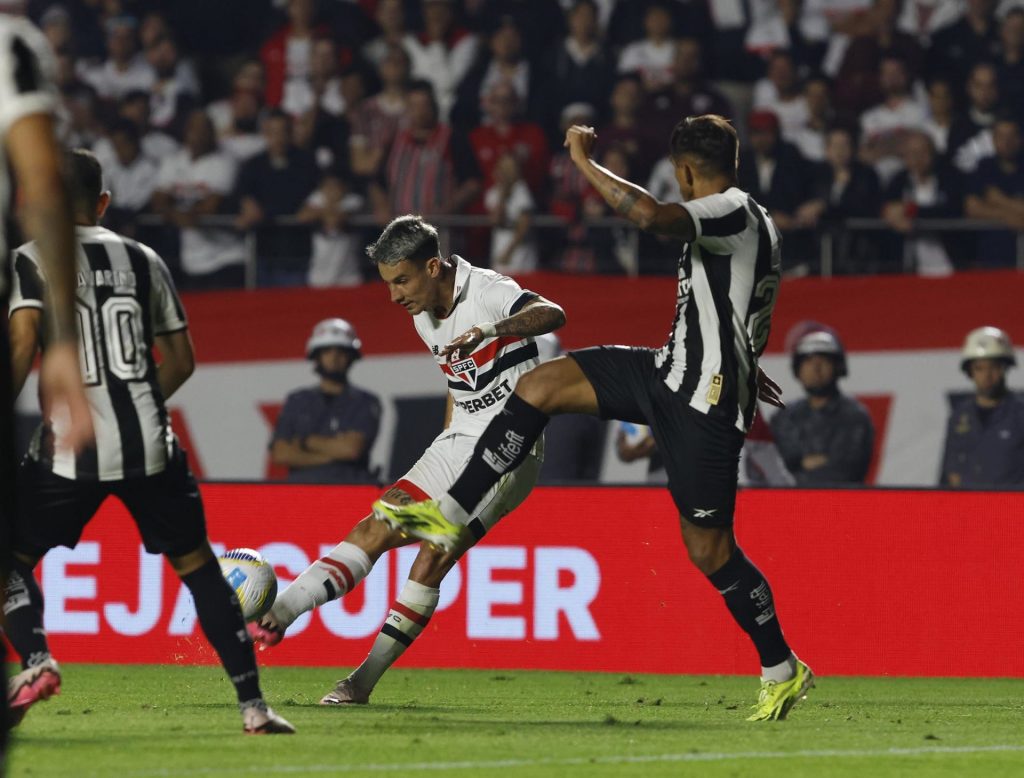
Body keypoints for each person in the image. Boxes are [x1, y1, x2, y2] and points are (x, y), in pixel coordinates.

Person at [374, 115, 814, 722]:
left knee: (708, 548)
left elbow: (653, 218)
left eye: (677, 176)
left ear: (686, 171)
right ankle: (448, 514)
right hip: (668, 371)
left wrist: (582, 162)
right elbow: (741, 302)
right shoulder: (754, 223)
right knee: (540, 385)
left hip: (702, 407)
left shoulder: (731, 209)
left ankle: (781, 668)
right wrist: (743, 357)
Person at [4, 149, 293, 735]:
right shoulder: (144, 259)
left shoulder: (31, 259)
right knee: (200, 570)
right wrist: (134, 400)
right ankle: (254, 707)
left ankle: (37, 661)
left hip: (70, 450)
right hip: (150, 445)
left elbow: (22, 346)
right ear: (104, 203)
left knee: (10, 561)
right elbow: (182, 361)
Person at [250, 215, 566, 706]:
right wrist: (444, 445)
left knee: (431, 556)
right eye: (388, 283)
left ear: (433, 266)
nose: (395, 295)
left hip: (508, 449)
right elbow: (456, 381)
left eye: (402, 280)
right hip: (455, 446)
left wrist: (491, 329)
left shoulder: (486, 290)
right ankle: (277, 617)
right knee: (373, 529)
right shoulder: (422, 314)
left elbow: (552, 314)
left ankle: (360, 683)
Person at [0, 12, 93, 762]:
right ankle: (32, 660)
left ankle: (32, 660)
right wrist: (58, 340)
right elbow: (40, 183)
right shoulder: (12, 44)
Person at [270, 318, 381, 483]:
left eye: (341, 351)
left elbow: (350, 449)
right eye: (327, 351)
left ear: (351, 357)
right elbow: (280, 453)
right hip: (301, 493)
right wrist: (332, 455)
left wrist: (305, 442)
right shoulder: (297, 400)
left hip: (350, 494)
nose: (334, 358)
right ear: (316, 356)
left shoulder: (365, 401)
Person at [770, 329, 875, 485]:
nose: (816, 369)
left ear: (838, 368)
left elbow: (846, 471)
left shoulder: (854, 416)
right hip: (789, 504)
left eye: (823, 361)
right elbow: (773, 467)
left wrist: (799, 465)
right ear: (797, 369)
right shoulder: (784, 417)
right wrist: (809, 462)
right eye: (808, 361)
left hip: (840, 503)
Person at [941, 326, 1024, 488]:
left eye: (993, 367)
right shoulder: (958, 417)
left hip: (1012, 509)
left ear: (1005, 368)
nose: (987, 375)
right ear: (970, 372)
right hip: (968, 509)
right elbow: (949, 472)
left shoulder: (1020, 414)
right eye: (979, 368)